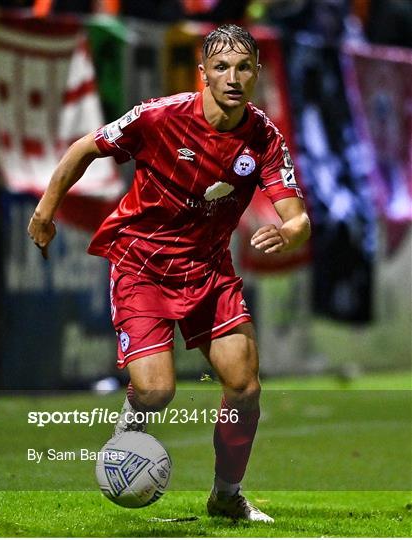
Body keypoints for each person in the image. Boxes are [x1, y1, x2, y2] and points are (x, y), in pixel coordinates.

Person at [28, 24, 311, 522]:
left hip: (209, 268)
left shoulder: (264, 137)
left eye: (243, 67)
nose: (233, 77)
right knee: (157, 391)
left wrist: (290, 233)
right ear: (202, 73)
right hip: (142, 263)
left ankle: (227, 496)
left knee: (244, 385)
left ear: (257, 74)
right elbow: (84, 148)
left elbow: (298, 216)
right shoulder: (160, 117)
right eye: (221, 67)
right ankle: (129, 431)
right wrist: (46, 212)